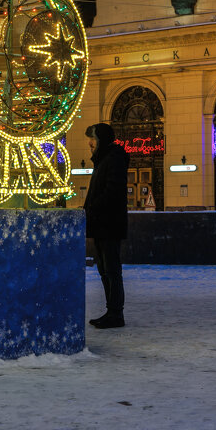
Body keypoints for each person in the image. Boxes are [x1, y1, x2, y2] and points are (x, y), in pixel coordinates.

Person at [84, 122, 129, 329]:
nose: (90, 144)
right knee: (105, 269)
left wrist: (92, 206)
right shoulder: (103, 160)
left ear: (101, 139)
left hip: (109, 223)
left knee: (111, 269)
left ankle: (115, 313)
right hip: (102, 223)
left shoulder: (114, 159)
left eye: (92, 139)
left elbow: (112, 192)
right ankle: (111, 311)